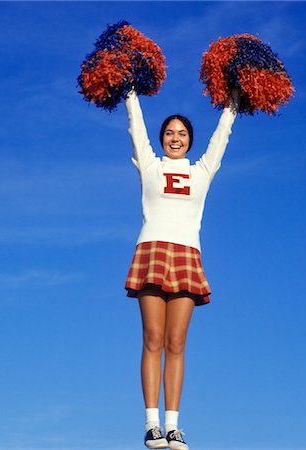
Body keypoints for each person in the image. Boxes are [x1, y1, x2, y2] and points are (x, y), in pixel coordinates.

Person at [124, 88, 239, 450]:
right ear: (161, 140)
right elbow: (135, 126)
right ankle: (151, 425)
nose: (176, 138)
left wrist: (234, 101)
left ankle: (174, 427)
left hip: (187, 254)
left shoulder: (201, 171)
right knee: (153, 338)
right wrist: (129, 89)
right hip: (153, 250)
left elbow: (222, 138)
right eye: (170, 133)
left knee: (176, 342)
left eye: (182, 134)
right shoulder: (150, 166)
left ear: (190, 141)